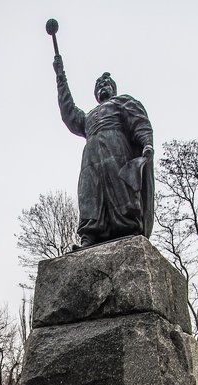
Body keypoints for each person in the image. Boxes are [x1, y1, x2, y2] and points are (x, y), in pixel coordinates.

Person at [53, 57, 154, 248]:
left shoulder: (122, 102)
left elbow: (139, 123)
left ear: (113, 88)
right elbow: (69, 113)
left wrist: (146, 144)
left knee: (121, 189)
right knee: (89, 192)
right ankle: (90, 235)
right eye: (98, 85)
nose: (102, 86)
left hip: (117, 150)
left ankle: (128, 229)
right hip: (91, 157)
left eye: (106, 83)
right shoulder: (88, 116)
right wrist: (60, 77)